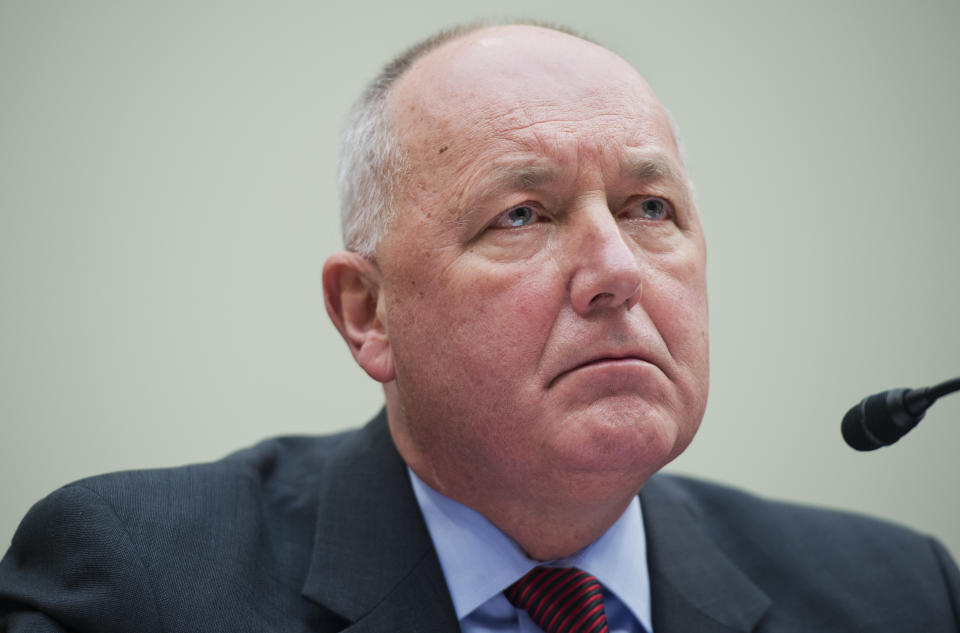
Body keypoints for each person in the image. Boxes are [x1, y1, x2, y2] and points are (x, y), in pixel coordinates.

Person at [1, 22, 957, 633]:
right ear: (366, 313)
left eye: (650, 208)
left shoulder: (898, 594)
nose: (618, 272)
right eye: (522, 215)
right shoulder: (137, 584)